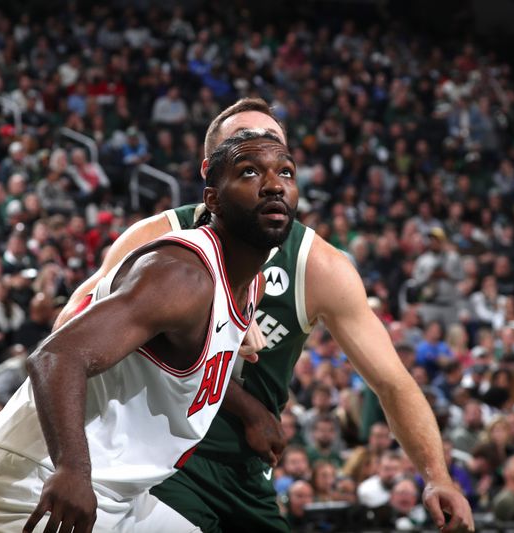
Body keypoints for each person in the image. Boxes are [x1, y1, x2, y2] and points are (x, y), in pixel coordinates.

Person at [54, 98, 473, 533]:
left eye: (274, 150)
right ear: (211, 174)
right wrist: (217, 341)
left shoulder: (319, 266)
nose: (267, 172)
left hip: (248, 472)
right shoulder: (159, 240)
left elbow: (392, 381)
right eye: (244, 150)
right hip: (157, 459)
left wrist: (436, 477)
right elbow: (71, 327)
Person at [0, 129, 298, 532]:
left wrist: (252, 411)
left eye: (286, 172)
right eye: (250, 173)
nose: (273, 185)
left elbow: (188, 365)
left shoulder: (249, 281)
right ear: (212, 199)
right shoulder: (181, 277)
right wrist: (71, 468)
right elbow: (57, 355)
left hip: (120, 490)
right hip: (38, 479)